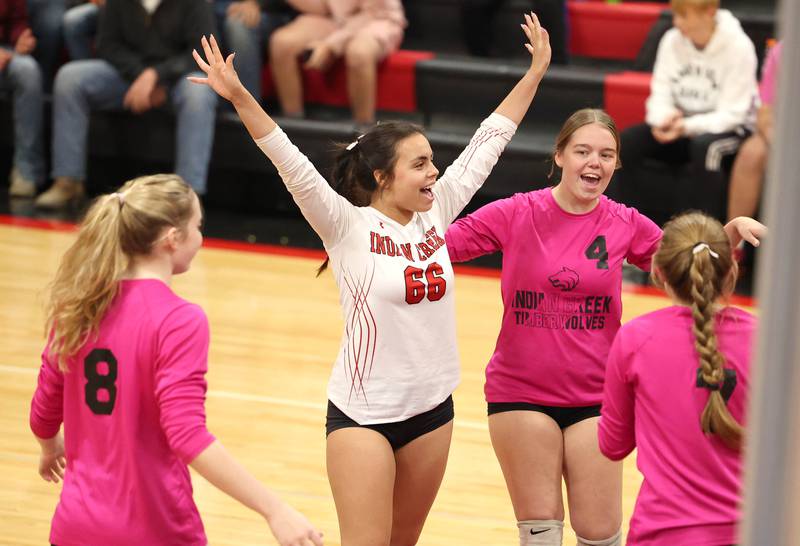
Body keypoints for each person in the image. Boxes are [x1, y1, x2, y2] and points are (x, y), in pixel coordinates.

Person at [189, 12, 550, 544]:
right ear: (384, 177)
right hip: (363, 416)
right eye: (421, 164)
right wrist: (242, 97)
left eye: (433, 163)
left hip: (433, 410)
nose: (435, 173)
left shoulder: (439, 209)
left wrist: (536, 71)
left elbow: (489, 140)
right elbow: (288, 160)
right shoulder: (345, 225)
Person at [444, 108, 765, 546]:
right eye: (583, 151)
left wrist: (727, 233)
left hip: (594, 398)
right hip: (520, 392)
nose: (594, 162)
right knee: (540, 528)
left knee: (599, 532)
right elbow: (437, 245)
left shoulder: (625, 222)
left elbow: (683, 261)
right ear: (559, 156)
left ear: (616, 164)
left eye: (606, 154)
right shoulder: (516, 212)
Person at [29, 174, 324, 546]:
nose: (201, 237)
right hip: (154, 529)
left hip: (75, 528)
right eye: (197, 227)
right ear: (172, 239)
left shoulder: (76, 308)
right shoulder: (178, 319)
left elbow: (43, 409)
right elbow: (186, 434)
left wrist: (49, 446)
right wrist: (274, 509)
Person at [598, 211, 755, 545]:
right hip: (752, 531)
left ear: (658, 272)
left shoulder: (637, 339)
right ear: (732, 272)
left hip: (662, 532)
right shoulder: (766, 340)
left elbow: (613, 445)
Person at [34, 0, 218, 210]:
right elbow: (107, 45)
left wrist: (157, 76)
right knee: (70, 78)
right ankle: (68, 181)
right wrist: (141, 75)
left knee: (200, 92)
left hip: (177, 81)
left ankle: (189, 196)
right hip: (128, 78)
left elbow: (203, 53)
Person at [614, 0, 759, 215]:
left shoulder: (739, 46)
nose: (676, 22)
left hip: (728, 131)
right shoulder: (671, 40)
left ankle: (706, 237)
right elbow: (659, 93)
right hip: (679, 126)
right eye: (675, 15)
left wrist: (685, 127)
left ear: (709, 13)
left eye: (684, 16)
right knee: (625, 142)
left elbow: (733, 114)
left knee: (705, 148)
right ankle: (627, 225)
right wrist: (662, 119)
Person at [268, 0, 406, 127]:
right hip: (334, 18)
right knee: (282, 43)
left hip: (378, 19)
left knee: (358, 53)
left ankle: (364, 130)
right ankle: (292, 124)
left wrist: (331, 45)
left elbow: (371, 14)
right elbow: (322, 8)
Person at [727, 40, 782, 221]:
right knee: (751, 153)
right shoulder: (781, 50)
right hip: (783, 132)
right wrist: (779, 142)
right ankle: (735, 242)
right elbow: (765, 111)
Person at [1, 0, 44, 198]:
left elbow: (17, 19)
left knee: (27, 70)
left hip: (5, 51)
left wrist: (21, 38)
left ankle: (26, 170)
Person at [215, 0, 297, 102]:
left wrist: (257, 3)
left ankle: (248, 108)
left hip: (270, 11)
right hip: (216, 8)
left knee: (239, 25)